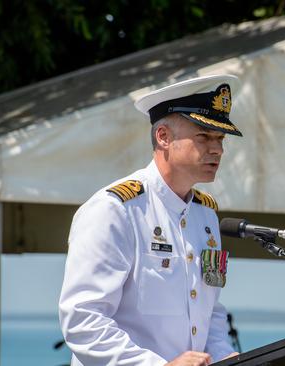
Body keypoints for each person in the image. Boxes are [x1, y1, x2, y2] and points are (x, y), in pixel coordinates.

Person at [59, 74, 243, 366]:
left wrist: (226, 357)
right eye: (204, 136)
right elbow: (83, 319)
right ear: (163, 137)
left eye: (220, 138)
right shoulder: (115, 209)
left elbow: (209, 311)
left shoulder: (205, 215)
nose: (217, 149)